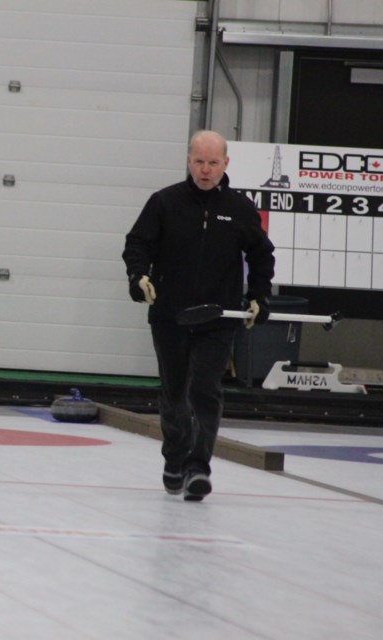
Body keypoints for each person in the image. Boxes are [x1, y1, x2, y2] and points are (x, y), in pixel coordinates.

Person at [122, 130, 275, 501]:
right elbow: (137, 244)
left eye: (213, 163)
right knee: (175, 394)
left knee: (205, 390)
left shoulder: (240, 209)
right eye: (199, 162)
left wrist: (258, 295)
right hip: (171, 316)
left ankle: (197, 467)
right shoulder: (164, 202)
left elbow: (261, 255)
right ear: (188, 160)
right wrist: (138, 276)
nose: (206, 170)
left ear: (226, 164)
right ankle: (174, 458)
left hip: (218, 318)